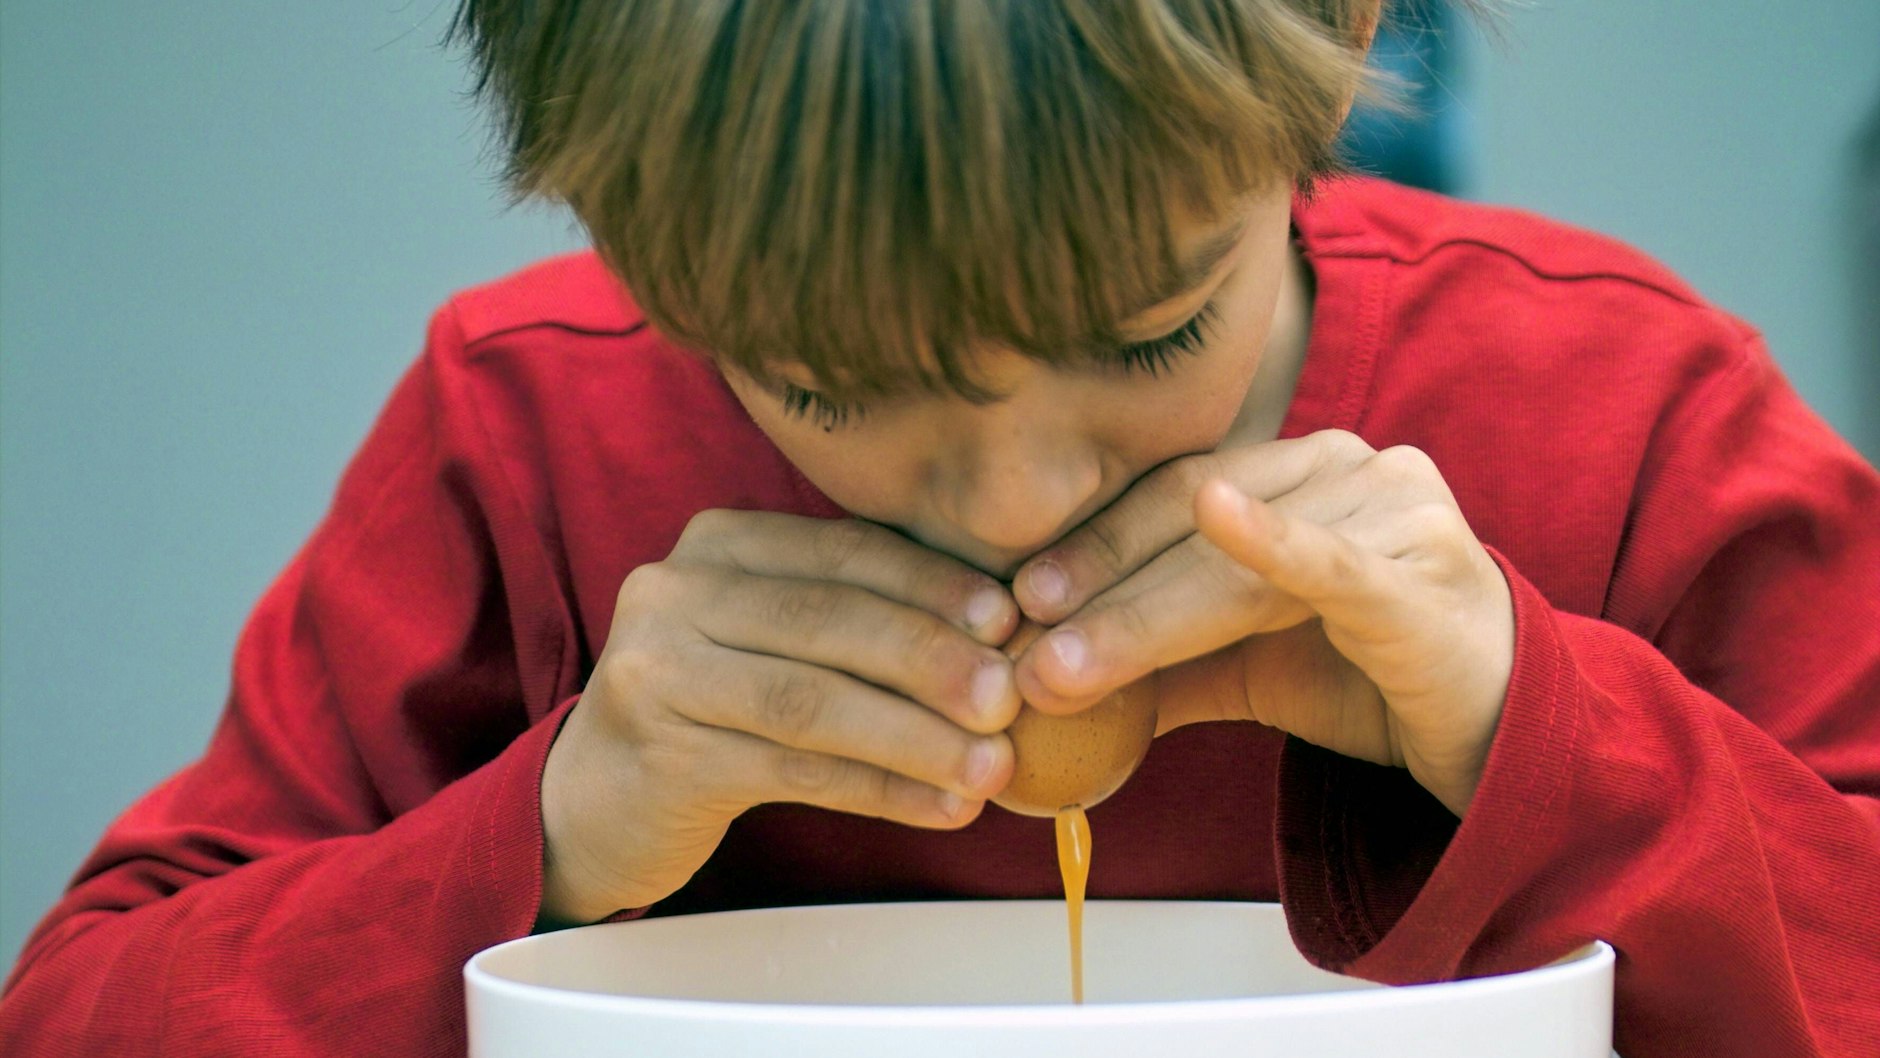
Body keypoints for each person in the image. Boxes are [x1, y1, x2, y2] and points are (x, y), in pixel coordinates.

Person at [3, 2, 1877, 1055]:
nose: (1020, 505)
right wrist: (557, 829)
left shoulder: (1630, 417)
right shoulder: (525, 433)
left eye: (1145, 331)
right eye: (814, 374)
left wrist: (1533, 729)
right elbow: (82, 1013)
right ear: (616, 222)